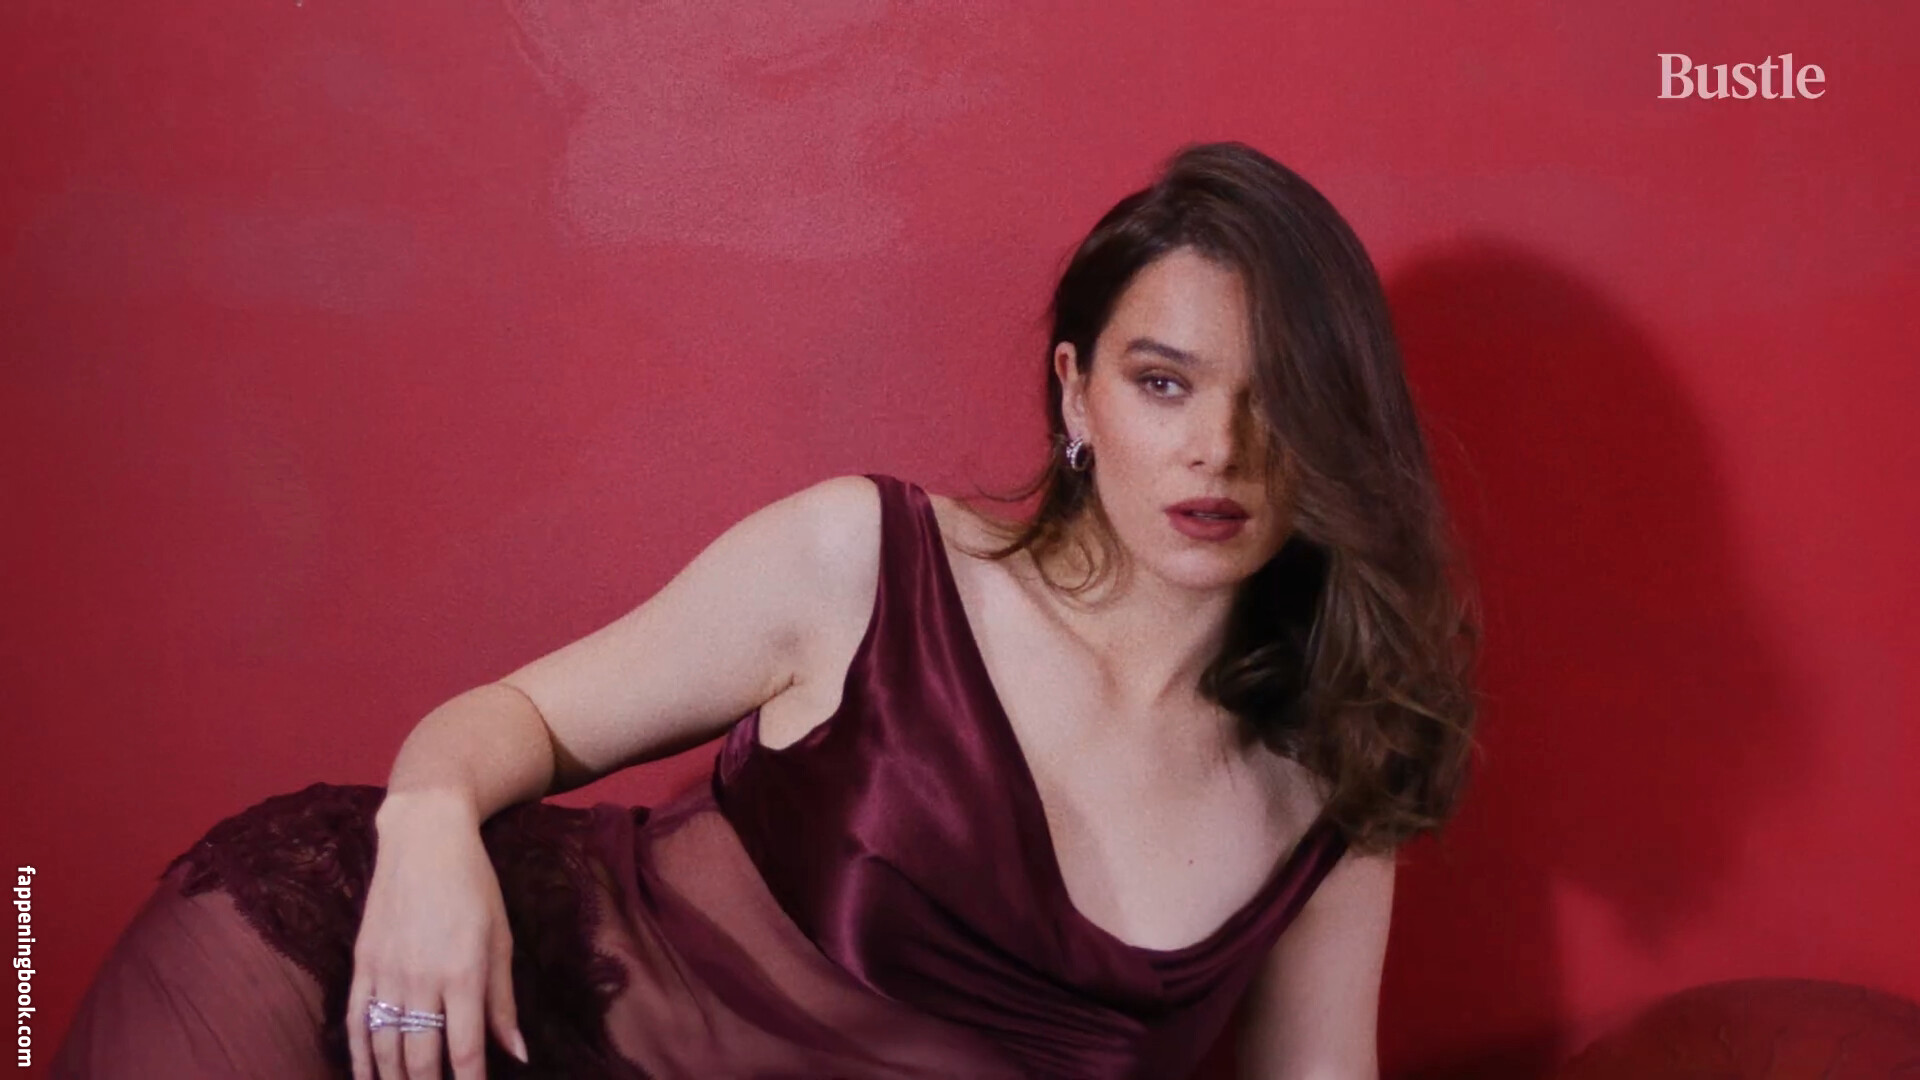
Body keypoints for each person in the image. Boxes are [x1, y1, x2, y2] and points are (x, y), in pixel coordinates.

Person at [51, 140, 1479, 1080]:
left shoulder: (1334, 782)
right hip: (393, 1000)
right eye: (1163, 383)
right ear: (1076, 395)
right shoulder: (870, 561)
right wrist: (424, 837)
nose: (1218, 450)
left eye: (1278, 399)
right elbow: (520, 717)